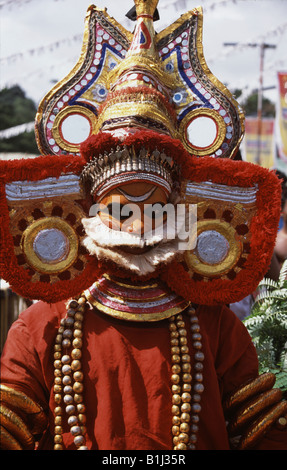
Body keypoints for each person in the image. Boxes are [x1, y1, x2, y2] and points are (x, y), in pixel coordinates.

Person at [1, 0, 287, 451]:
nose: (136, 226)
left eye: (151, 209)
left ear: (179, 210)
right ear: (89, 213)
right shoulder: (45, 325)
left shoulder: (212, 327)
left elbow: (264, 434)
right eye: (118, 211)